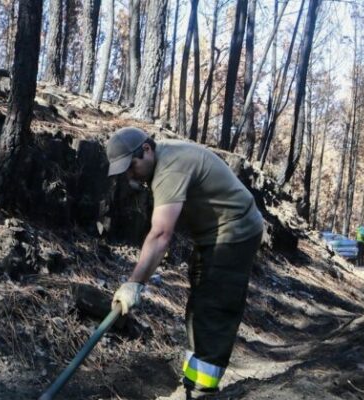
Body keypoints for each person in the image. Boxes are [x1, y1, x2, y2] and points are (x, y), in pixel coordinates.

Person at [105, 127, 264, 399]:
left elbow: (160, 234)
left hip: (236, 230)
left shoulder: (170, 168)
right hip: (213, 234)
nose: (130, 176)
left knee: (213, 306)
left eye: (131, 167)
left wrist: (134, 283)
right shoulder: (161, 159)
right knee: (199, 304)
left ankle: (201, 390)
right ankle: (191, 383)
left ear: (146, 149)